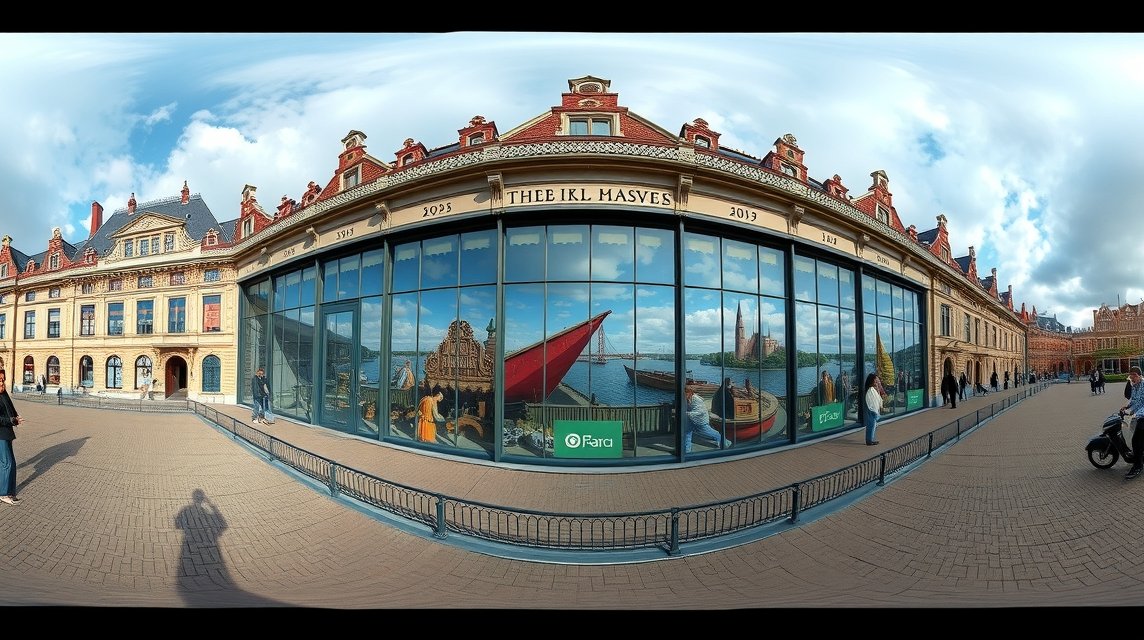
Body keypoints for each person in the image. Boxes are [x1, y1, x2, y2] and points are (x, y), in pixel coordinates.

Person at [683, 385, 731, 452]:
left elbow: (700, 411)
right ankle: (687, 450)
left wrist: (687, 413)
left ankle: (726, 442)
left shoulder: (697, 400)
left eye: (685, 393)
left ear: (690, 393)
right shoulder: (685, 399)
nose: (684, 395)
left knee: (710, 433)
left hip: (700, 421)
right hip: (691, 420)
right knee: (687, 433)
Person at [0, 369, 23, 505]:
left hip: (6, 432)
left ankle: (10, 492)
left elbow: (11, 408)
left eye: (3, 379)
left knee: (11, 463)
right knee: (6, 463)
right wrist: (12, 420)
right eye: (0, 379)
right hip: (1, 433)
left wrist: (17, 417)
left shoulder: (4, 394)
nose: (2, 382)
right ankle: (3, 493)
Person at [1120, 367, 1144, 479]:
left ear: (1140, 375)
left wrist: (1136, 414)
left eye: (1134, 375)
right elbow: (1134, 400)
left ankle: (1138, 466)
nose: (1132, 377)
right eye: (1131, 375)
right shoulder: (1134, 386)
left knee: (1136, 440)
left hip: (1142, 416)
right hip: (1138, 416)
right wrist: (1126, 406)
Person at [862, 373, 884, 446]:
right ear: (871, 381)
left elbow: (877, 399)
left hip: (872, 410)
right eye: (875, 381)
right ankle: (869, 440)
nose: (876, 382)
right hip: (872, 410)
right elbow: (872, 402)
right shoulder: (870, 390)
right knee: (871, 426)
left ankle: (870, 440)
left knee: (872, 426)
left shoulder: (871, 389)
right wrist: (875, 411)